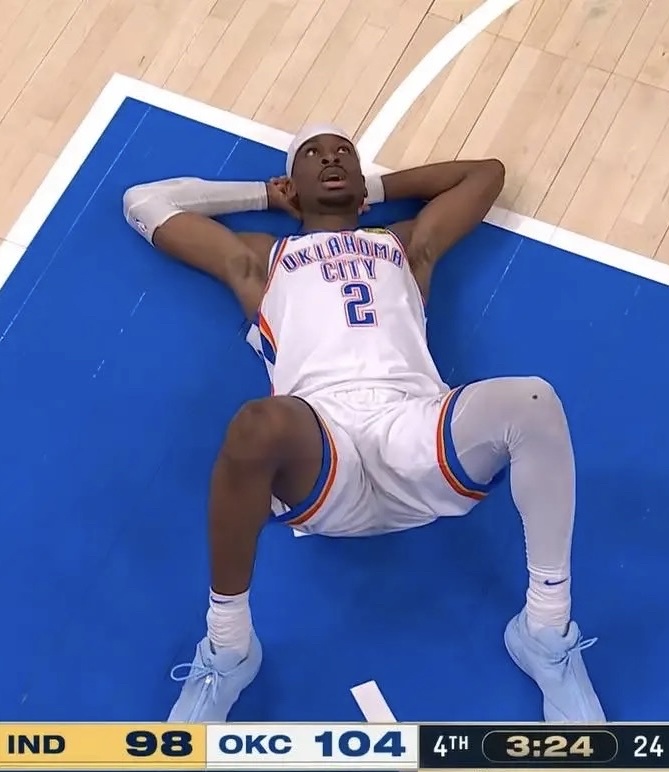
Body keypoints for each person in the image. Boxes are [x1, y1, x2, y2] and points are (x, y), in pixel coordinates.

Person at [122, 123, 605, 724]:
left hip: (418, 433)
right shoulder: (259, 260)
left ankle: (545, 631)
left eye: (343, 154)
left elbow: (485, 175)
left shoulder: (408, 244)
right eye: (312, 155)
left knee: (534, 399)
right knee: (255, 425)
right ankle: (228, 647)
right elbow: (144, 202)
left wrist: (373, 188)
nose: (330, 159)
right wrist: (265, 194)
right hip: (323, 450)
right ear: (291, 183)